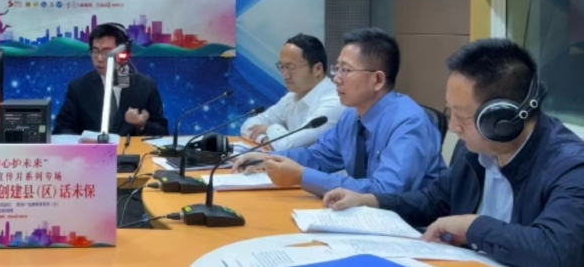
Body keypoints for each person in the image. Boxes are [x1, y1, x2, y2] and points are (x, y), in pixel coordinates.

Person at [323, 39, 584, 267]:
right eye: (451, 111)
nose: (453, 127)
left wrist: (472, 227)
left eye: (462, 115)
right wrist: (372, 201)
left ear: (502, 120)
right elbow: (436, 200)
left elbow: (557, 249)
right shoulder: (475, 149)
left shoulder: (571, 165)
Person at [232, 28, 445, 196]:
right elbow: (318, 156)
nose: (336, 78)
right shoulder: (352, 115)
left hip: (413, 228)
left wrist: (302, 176)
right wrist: (268, 158)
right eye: (337, 69)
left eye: (346, 70)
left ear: (378, 80)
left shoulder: (409, 122)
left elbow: (386, 191)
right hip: (363, 217)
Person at [53, 23, 168, 136]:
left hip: (131, 148)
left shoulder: (146, 86)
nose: (99, 58)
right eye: (95, 51)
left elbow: (163, 131)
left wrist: (142, 125)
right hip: (92, 148)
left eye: (107, 52)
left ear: (122, 52)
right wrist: (84, 141)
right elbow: (61, 129)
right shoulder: (79, 87)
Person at [240, 34, 344, 151]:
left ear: (317, 69)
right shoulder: (292, 97)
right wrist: (265, 140)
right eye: (282, 67)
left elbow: (289, 146)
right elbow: (248, 126)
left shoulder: (334, 102)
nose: (285, 75)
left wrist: (270, 129)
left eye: (291, 67)